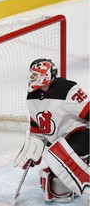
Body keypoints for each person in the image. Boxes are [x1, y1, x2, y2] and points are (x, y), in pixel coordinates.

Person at [13, 59, 89, 203]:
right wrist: (33, 151)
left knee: (54, 153)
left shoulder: (67, 89)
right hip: (60, 149)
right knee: (57, 188)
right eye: (32, 74)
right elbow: (37, 131)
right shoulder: (31, 96)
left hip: (83, 136)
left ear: (48, 75)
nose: (33, 78)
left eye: (37, 74)